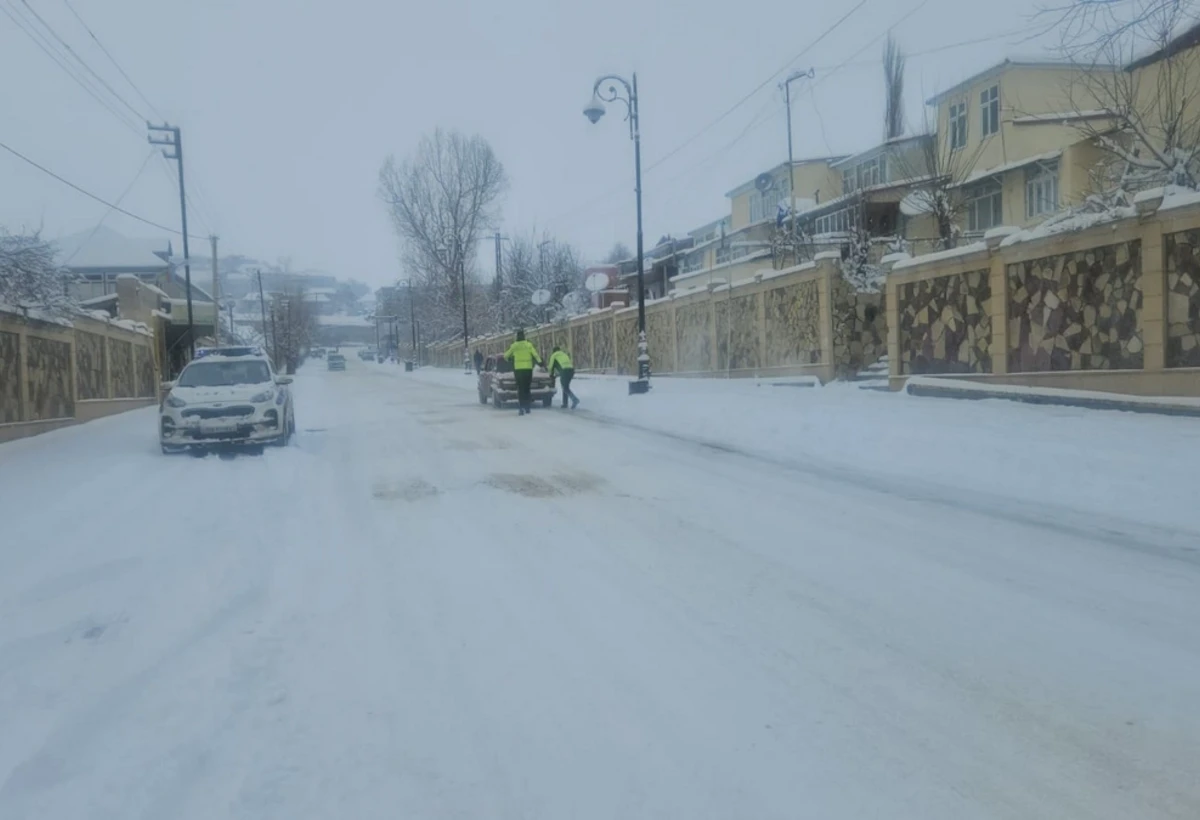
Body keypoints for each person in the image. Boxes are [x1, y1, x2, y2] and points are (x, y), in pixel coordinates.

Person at [503, 329, 542, 415]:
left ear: (517, 337)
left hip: (518, 370)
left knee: (520, 389)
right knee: (527, 388)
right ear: (524, 336)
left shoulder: (514, 346)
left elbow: (505, 355)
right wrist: (539, 362)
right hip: (528, 369)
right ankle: (528, 407)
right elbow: (535, 354)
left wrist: (509, 359)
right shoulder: (528, 345)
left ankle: (521, 408)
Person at [548, 345, 579, 409]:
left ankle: (574, 399)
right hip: (571, 370)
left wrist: (550, 374)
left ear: (553, 351)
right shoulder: (564, 354)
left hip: (564, 371)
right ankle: (565, 404)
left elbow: (551, 367)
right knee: (565, 387)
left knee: (565, 388)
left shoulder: (554, 355)